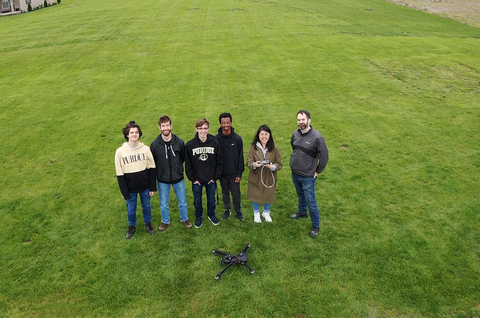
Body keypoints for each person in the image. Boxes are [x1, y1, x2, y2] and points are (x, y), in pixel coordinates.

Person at [289, 110, 329, 238]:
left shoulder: (317, 137)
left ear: (309, 120)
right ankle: (302, 213)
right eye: (299, 120)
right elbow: (293, 146)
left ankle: (316, 225)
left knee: (310, 200)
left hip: (308, 176)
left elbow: (324, 156)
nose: (300, 122)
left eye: (303, 119)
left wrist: (318, 170)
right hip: (295, 172)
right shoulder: (295, 134)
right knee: (300, 194)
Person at [114, 120, 157, 239]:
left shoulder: (146, 149)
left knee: (147, 206)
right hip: (130, 188)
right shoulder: (120, 152)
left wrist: (153, 186)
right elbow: (119, 174)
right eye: (131, 132)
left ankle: (148, 224)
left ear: (139, 134)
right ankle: (132, 226)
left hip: (145, 186)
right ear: (127, 135)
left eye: (136, 132)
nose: (134, 134)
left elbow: (152, 168)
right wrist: (125, 192)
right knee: (131, 210)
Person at [150, 115, 193, 232]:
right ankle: (165, 221)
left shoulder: (179, 142)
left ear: (171, 126)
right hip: (162, 179)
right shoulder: (154, 145)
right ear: (159, 127)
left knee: (183, 202)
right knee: (163, 203)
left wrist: (177, 169)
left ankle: (185, 219)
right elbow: (152, 164)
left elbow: (183, 158)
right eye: (163, 126)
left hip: (178, 178)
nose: (165, 128)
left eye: (167, 125)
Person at [185, 118, 223, 228]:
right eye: (200, 128)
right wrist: (193, 179)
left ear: (208, 128)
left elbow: (219, 162)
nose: (203, 131)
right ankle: (198, 216)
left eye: (205, 128)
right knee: (197, 200)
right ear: (196, 129)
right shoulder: (190, 145)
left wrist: (215, 177)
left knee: (211, 199)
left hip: (211, 179)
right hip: (197, 180)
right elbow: (188, 165)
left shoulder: (215, 142)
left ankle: (211, 214)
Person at [246, 125, 282, 223]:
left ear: (270, 135)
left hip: (269, 177)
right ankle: (256, 213)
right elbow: (249, 161)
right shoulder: (253, 148)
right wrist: (254, 165)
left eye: (266, 134)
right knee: (255, 194)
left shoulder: (274, 148)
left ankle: (266, 212)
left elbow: (279, 163)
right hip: (256, 176)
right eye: (262, 134)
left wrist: (272, 167)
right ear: (258, 135)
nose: (264, 137)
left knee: (268, 194)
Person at [215, 113, 245, 221]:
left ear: (231, 123)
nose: (226, 125)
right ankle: (227, 210)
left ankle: (238, 210)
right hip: (222, 174)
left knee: (236, 194)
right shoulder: (216, 139)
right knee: (225, 193)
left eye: (227, 122)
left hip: (234, 174)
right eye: (223, 123)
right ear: (220, 124)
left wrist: (239, 173)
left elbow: (240, 157)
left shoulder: (237, 139)